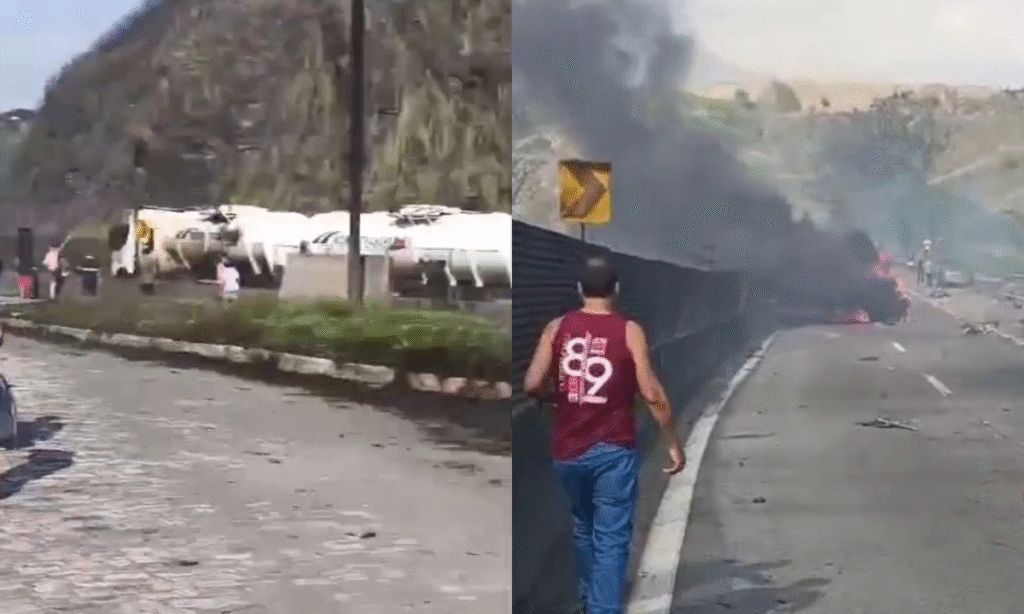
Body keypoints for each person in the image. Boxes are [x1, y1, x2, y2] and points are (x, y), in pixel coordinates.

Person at [524, 254, 685, 614]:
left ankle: (587, 599)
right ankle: (603, 608)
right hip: (613, 449)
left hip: (568, 451)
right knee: (611, 538)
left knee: (584, 528)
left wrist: (555, 399)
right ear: (616, 289)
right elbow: (653, 394)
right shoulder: (629, 330)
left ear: (579, 289)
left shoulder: (557, 327)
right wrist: (674, 444)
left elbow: (532, 382)